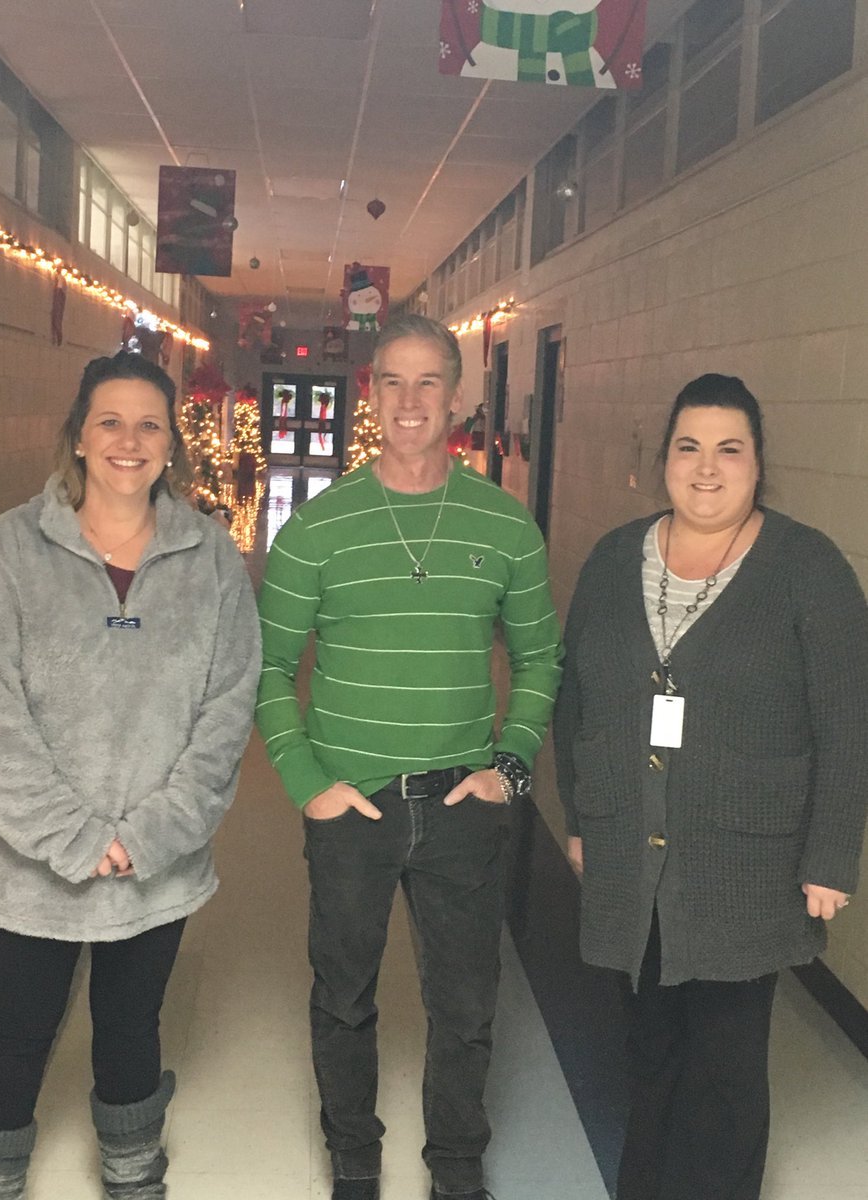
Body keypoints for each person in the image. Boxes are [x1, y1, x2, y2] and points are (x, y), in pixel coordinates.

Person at [257, 314, 562, 1200]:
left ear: (459, 397)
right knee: (344, 995)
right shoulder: (317, 529)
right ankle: (353, 1152)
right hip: (351, 802)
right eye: (392, 381)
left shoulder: (506, 528)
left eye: (429, 382)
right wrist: (307, 784)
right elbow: (270, 668)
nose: (410, 400)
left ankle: (456, 1166)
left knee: (465, 1008)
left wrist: (508, 767)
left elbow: (543, 658)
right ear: (370, 394)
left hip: (462, 805)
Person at [554, 373, 868, 1200]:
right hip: (633, 855)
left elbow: (848, 720)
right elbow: (575, 693)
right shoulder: (617, 557)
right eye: (689, 447)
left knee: (726, 1071)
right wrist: (585, 814)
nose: (706, 468)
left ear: (759, 463)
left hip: (746, 865)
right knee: (651, 1050)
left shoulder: (808, 567)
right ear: (663, 460)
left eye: (730, 448)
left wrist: (831, 856)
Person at [0, 352, 260, 1200]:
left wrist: (146, 837)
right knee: (17, 1027)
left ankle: (133, 1169)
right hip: (28, 863)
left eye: (149, 425)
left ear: (173, 445)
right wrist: (74, 837)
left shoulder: (209, 559)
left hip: (154, 861)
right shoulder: (7, 553)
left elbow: (226, 710)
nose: (129, 441)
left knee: (131, 1024)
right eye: (110, 421)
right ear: (79, 437)